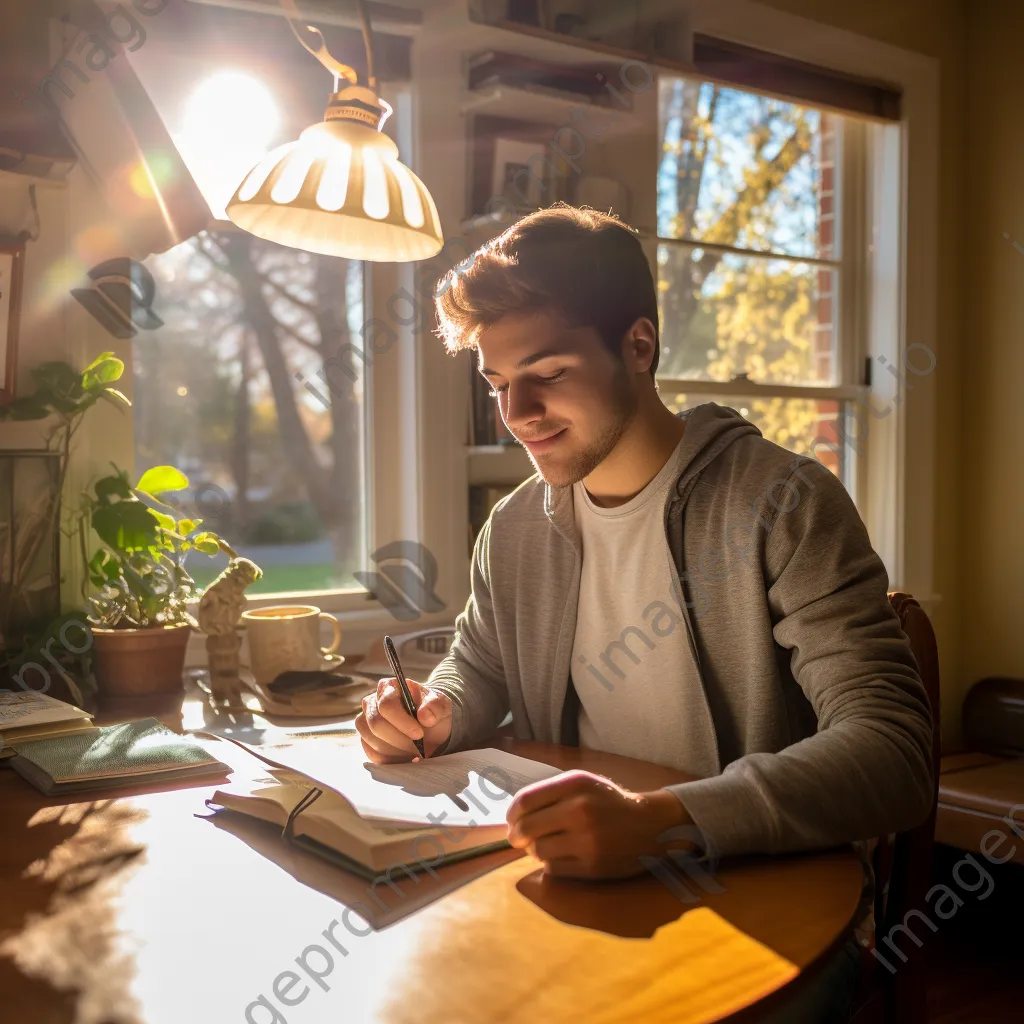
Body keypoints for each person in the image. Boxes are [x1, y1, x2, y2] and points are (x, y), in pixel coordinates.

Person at [354, 205, 933, 1020]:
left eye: (547, 373)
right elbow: (476, 664)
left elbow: (894, 753)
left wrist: (661, 825)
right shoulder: (516, 525)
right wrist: (438, 711)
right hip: (584, 884)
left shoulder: (782, 502)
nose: (516, 413)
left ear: (638, 346)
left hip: (771, 905)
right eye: (496, 384)